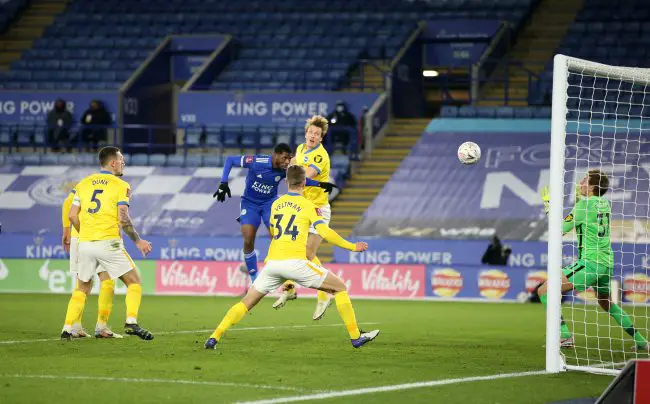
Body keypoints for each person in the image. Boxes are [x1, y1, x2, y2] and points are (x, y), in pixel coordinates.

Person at [205, 165, 379, 350]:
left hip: (272, 264)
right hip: (296, 262)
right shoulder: (308, 205)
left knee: (246, 302)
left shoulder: (276, 204)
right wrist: (352, 246)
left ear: (286, 182)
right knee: (339, 288)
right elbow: (324, 232)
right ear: (304, 183)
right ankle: (355, 337)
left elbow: (273, 230)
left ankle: (214, 338)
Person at [539, 169, 648, 350]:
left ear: (592, 187)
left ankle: (565, 336)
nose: (580, 182)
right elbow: (587, 215)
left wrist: (549, 207)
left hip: (590, 262)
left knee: (545, 290)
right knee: (606, 303)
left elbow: (558, 231)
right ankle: (641, 341)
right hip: (606, 263)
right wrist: (579, 199)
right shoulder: (604, 204)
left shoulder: (583, 206)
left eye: (584, 180)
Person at [61, 146, 154, 341]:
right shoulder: (121, 185)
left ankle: (67, 327)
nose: (123, 164)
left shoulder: (83, 184)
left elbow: (71, 215)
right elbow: (124, 218)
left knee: (82, 288)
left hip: (85, 243)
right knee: (134, 281)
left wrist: (85, 233)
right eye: (121, 161)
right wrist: (138, 241)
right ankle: (131, 321)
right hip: (109, 242)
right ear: (113, 163)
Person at [213, 143, 337, 282]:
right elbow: (230, 159)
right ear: (276, 155)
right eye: (284, 158)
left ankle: (281, 273)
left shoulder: (285, 170)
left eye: (289, 159)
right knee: (248, 237)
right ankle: (254, 276)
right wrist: (223, 183)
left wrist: (320, 184)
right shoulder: (257, 162)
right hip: (250, 203)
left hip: (269, 204)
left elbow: (301, 180)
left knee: (278, 236)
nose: (287, 162)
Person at [272, 116, 335, 321]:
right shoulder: (300, 149)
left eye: (317, 134)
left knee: (307, 253)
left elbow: (303, 178)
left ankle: (324, 292)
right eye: (310, 132)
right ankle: (290, 288)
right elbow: (293, 171)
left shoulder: (320, 156)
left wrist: (290, 173)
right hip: (303, 207)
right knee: (295, 251)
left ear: (321, 137)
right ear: (306, 132)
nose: (313, 136)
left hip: (318, 209)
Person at [61, 182, 119, 338]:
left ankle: (73, 326)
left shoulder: (85, 184)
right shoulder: (114, 186)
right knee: (107, 280)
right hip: (98, 237)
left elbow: (68, 203)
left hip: (77, 236)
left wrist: (66, 229)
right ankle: (102, 326)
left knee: (81, 284)